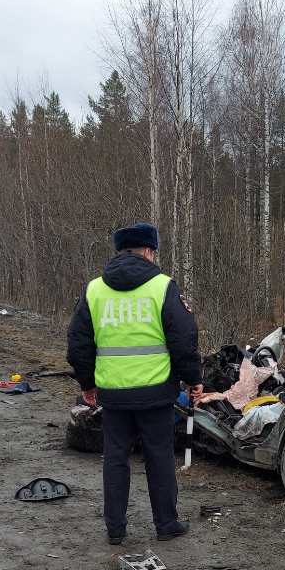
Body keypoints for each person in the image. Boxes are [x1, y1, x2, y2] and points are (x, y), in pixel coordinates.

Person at [67, 222, 202, 545]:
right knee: (159, 458)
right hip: (155, 393)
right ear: (148, 251)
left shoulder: (95, 290)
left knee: (115, 459)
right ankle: (166, 524)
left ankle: (115, 530)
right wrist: (193, 379)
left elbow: (78, 342)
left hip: (112, 393)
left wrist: (88, 383)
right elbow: (184, 339)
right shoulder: (163, 286)